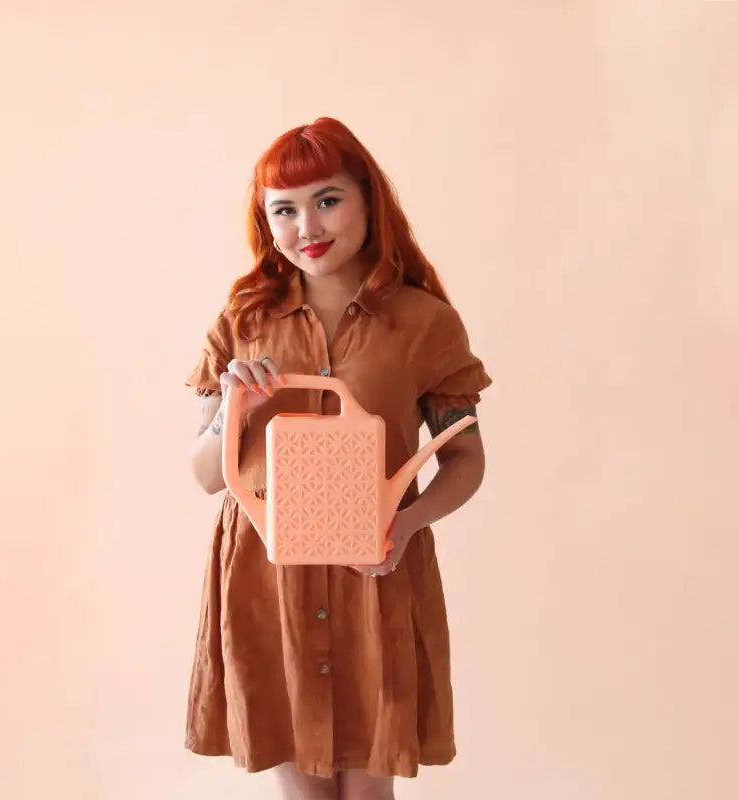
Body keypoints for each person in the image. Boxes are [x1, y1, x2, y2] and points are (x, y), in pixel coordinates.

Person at [184, 117, 493, 800]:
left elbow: (465, 457)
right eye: (284, 210)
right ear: (266, 222)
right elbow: (206, 475)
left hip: (376, 572)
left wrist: (405, 527)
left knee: (369, 795)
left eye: (327, 200)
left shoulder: (425, 323)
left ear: (367, 200)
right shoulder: (242, 321)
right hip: (267, 580)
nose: (307, 227)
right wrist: (239, 408)